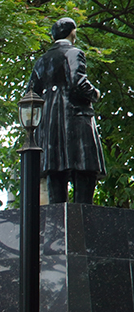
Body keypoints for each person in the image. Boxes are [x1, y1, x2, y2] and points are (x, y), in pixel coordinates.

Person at [28, 17, 106, 204]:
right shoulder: (74, 53)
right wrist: (94, 93)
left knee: (55, 174)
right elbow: (78, 83)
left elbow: (30, 94)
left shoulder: (41, 61)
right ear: (72, 32)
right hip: (75, 119)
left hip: (49, 126)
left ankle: (59, 225)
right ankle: (84, 222)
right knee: (84, 171)